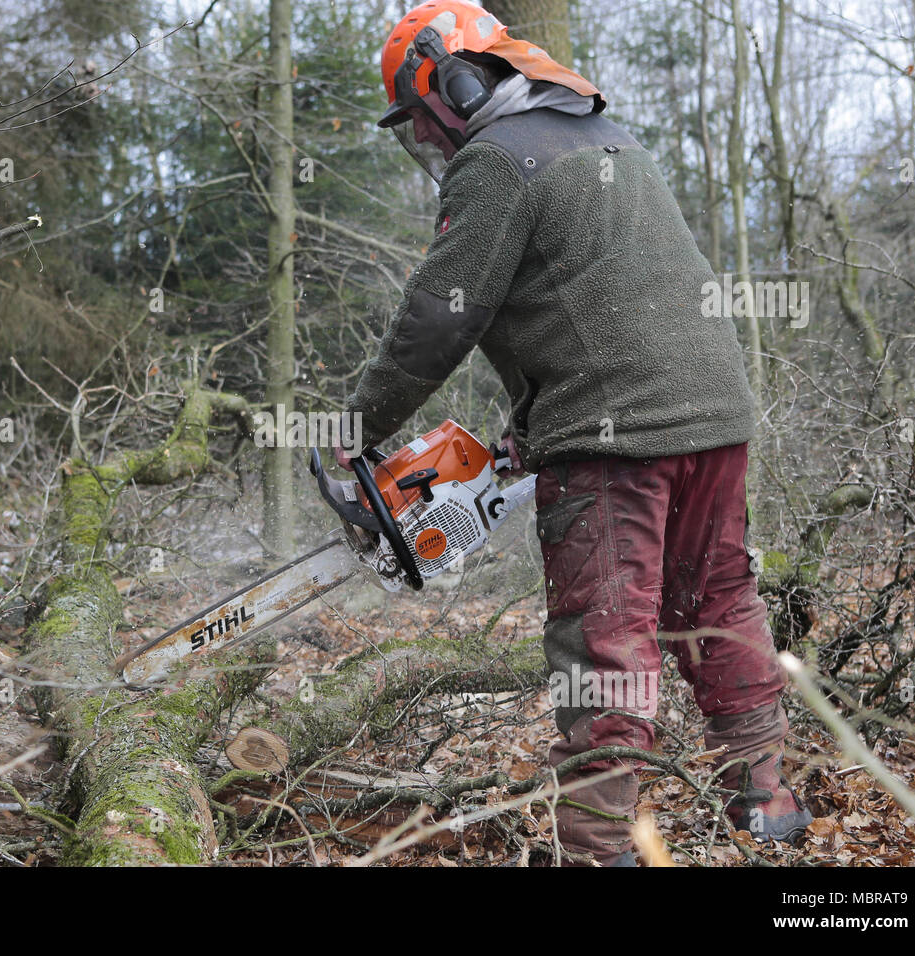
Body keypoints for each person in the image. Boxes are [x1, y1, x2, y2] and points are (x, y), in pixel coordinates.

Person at [335, 0, 812, 865]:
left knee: (607, 630)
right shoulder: (611, 141)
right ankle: (766, 795)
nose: (429, 141)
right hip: (713, 414)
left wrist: (353, 427)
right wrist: (534, 425)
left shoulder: (496, 162)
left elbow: (442, 315)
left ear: (456, 82)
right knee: (719, 599)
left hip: (618, 437)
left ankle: (598, 847)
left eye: (423, 118)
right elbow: (598, 300)